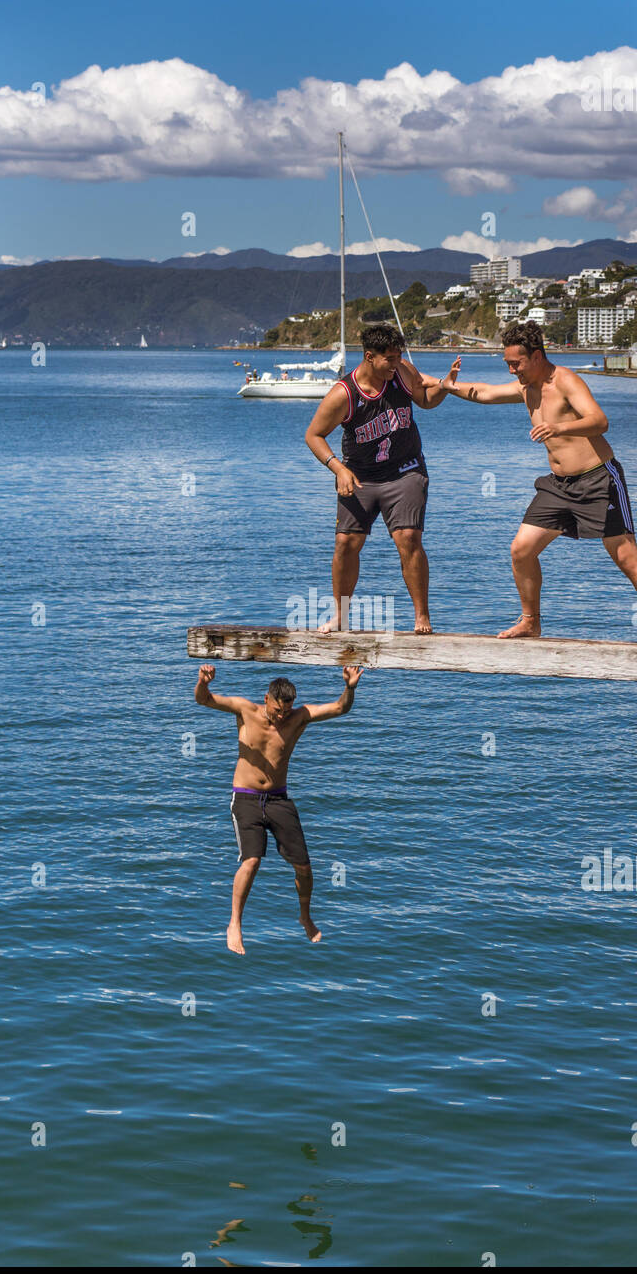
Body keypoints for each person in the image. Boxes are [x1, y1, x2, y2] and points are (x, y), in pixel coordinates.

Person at [441, 321, 637, 649]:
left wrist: (558, 428)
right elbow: (484, 392)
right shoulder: (525, 387)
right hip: (558, 486)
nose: (512, 370)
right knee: (521, 550)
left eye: (517, 363)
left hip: (599, 480)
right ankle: (530, 622)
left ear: (537, 356)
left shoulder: (566, 380)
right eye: (508, 364)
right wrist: (447, 386)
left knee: (626, 557)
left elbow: (600, 422)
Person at [194, 664, 363, 954]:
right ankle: (234, 923)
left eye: (287, 711)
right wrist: (203, 682)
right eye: (277, 710)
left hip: (278, 799)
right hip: (246, 797)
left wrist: (349, 687)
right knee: (252, 861)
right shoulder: (245, 710)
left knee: (304, 868)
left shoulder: (299, 718)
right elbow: (204, 700)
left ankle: (305, 916)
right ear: (267, 699)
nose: (281, 716)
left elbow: (339, 709)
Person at [304, 324, 458, 634]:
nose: (396, 362)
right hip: (360, 477)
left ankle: (421, 616)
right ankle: (341, 616)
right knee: (346, 543)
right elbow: (314, 435)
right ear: (369, 356)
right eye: (389, 358)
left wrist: (444, 386)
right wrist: (338, 468)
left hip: (406, 470)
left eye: (399, 355)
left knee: (408, 538)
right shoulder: (343, 394)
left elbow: (425, 401)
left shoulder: (400, 372)